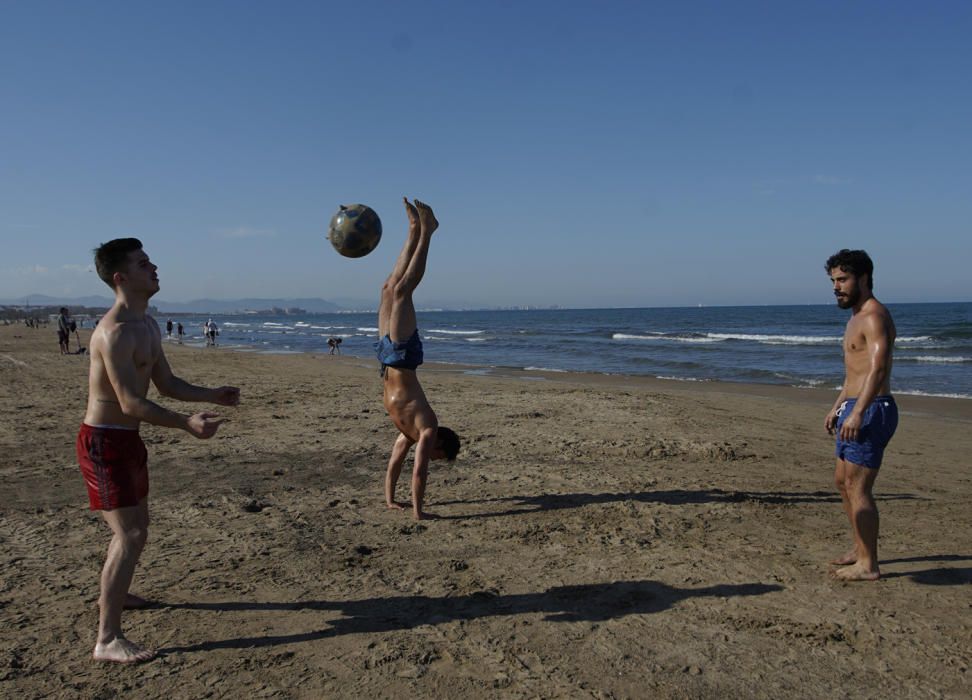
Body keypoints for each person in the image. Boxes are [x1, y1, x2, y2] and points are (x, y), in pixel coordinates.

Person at [78, 238, 240, 663]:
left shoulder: (147, 325)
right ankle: (107, 638)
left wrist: (211, 395)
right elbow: (130, 402)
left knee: (136, 531)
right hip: (104, 442)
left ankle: (117, 593)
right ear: (121, 278)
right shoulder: (112, 333)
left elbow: (166, 384)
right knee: (129, 534)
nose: (154, 268)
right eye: (143, 263)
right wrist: (187, 424)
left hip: (127, 440)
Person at [377, 199, 460, 520]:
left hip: (387, 359)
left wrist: (389, 501)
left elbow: (395, 463)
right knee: (401, 292)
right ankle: (427, 232)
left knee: (388, 288)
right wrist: (418, 512)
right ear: (440, 444)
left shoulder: (408, 434)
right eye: (438, 457)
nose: (431, 458)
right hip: (403, 357)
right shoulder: (427, 428)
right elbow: (418, 472)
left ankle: (414, 227)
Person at [824, 249, 898, 581]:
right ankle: (859, 547)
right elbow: (854, 373)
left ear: (863, 278)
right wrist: (839, 406)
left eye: (843, 279)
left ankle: (869, 564)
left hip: (872, 409)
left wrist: (859, 412)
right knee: (843, 483)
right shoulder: (854, 317)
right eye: (833, 281)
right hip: (853, 407)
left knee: (858, 487)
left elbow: (878, 370)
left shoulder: (874, 317)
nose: (836, 287)